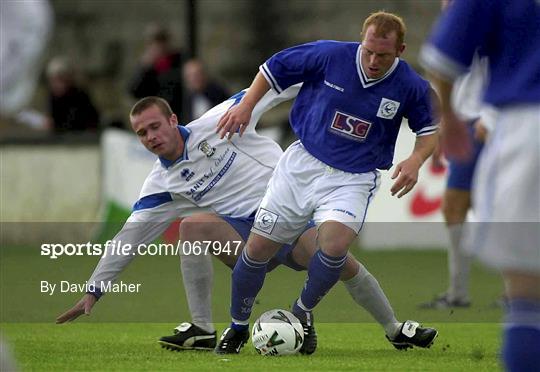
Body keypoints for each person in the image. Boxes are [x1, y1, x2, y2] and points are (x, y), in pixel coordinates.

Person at [56, 90, 434, 354]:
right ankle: (203, 330)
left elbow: (271, 88)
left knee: (337, 260)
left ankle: (394, 329)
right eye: (142, 133)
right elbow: (130, 238)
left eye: (155, 126)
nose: (151, 137)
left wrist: (334, 83)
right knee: (192, 228)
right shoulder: (162, 185)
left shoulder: (221, 121)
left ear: (173, 120)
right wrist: (94, 290)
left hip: (291, 214)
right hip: (247, 239)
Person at [215, 11, 439, 355]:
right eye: (368, 51)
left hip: (353, 178)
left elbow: (429, 132)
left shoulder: (411, 86)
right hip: (302, 165)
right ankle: (238, 327)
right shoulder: (330, 55)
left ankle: (301, 312)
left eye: (383, 55)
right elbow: (273, 68)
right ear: (361, 41)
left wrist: (415, 159)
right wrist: (247, 105)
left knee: (334, 248)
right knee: (257, 250)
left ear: (401, 50)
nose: (374, 60)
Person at [420, 1, 540, 371]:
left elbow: (441, 60)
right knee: (454, 206)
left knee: (527, 291)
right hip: (497, 120)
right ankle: (458, 290)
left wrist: (451, 120)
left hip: (517, 120)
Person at [420, 0, 494, 309]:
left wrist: (489, 117)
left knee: (502, 208)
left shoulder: (490, 24)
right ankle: (458, 292)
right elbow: (448, 82)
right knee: (456, 206)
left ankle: (517, 293)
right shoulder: (456, 30)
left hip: (489, 122)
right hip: (463, 123)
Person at [128, 24, 184, 118]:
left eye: (162, 40)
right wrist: (144, 69)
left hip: (179, 113)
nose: (159, 45)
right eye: (154, 42)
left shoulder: (179, 59)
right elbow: (134, 92)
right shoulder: (147, 66)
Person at [46, 57, 100, 133]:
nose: (55, 85)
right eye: (52, 81)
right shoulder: (53, 97)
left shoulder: (80, 96)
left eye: (59, 80)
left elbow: (83, 123)